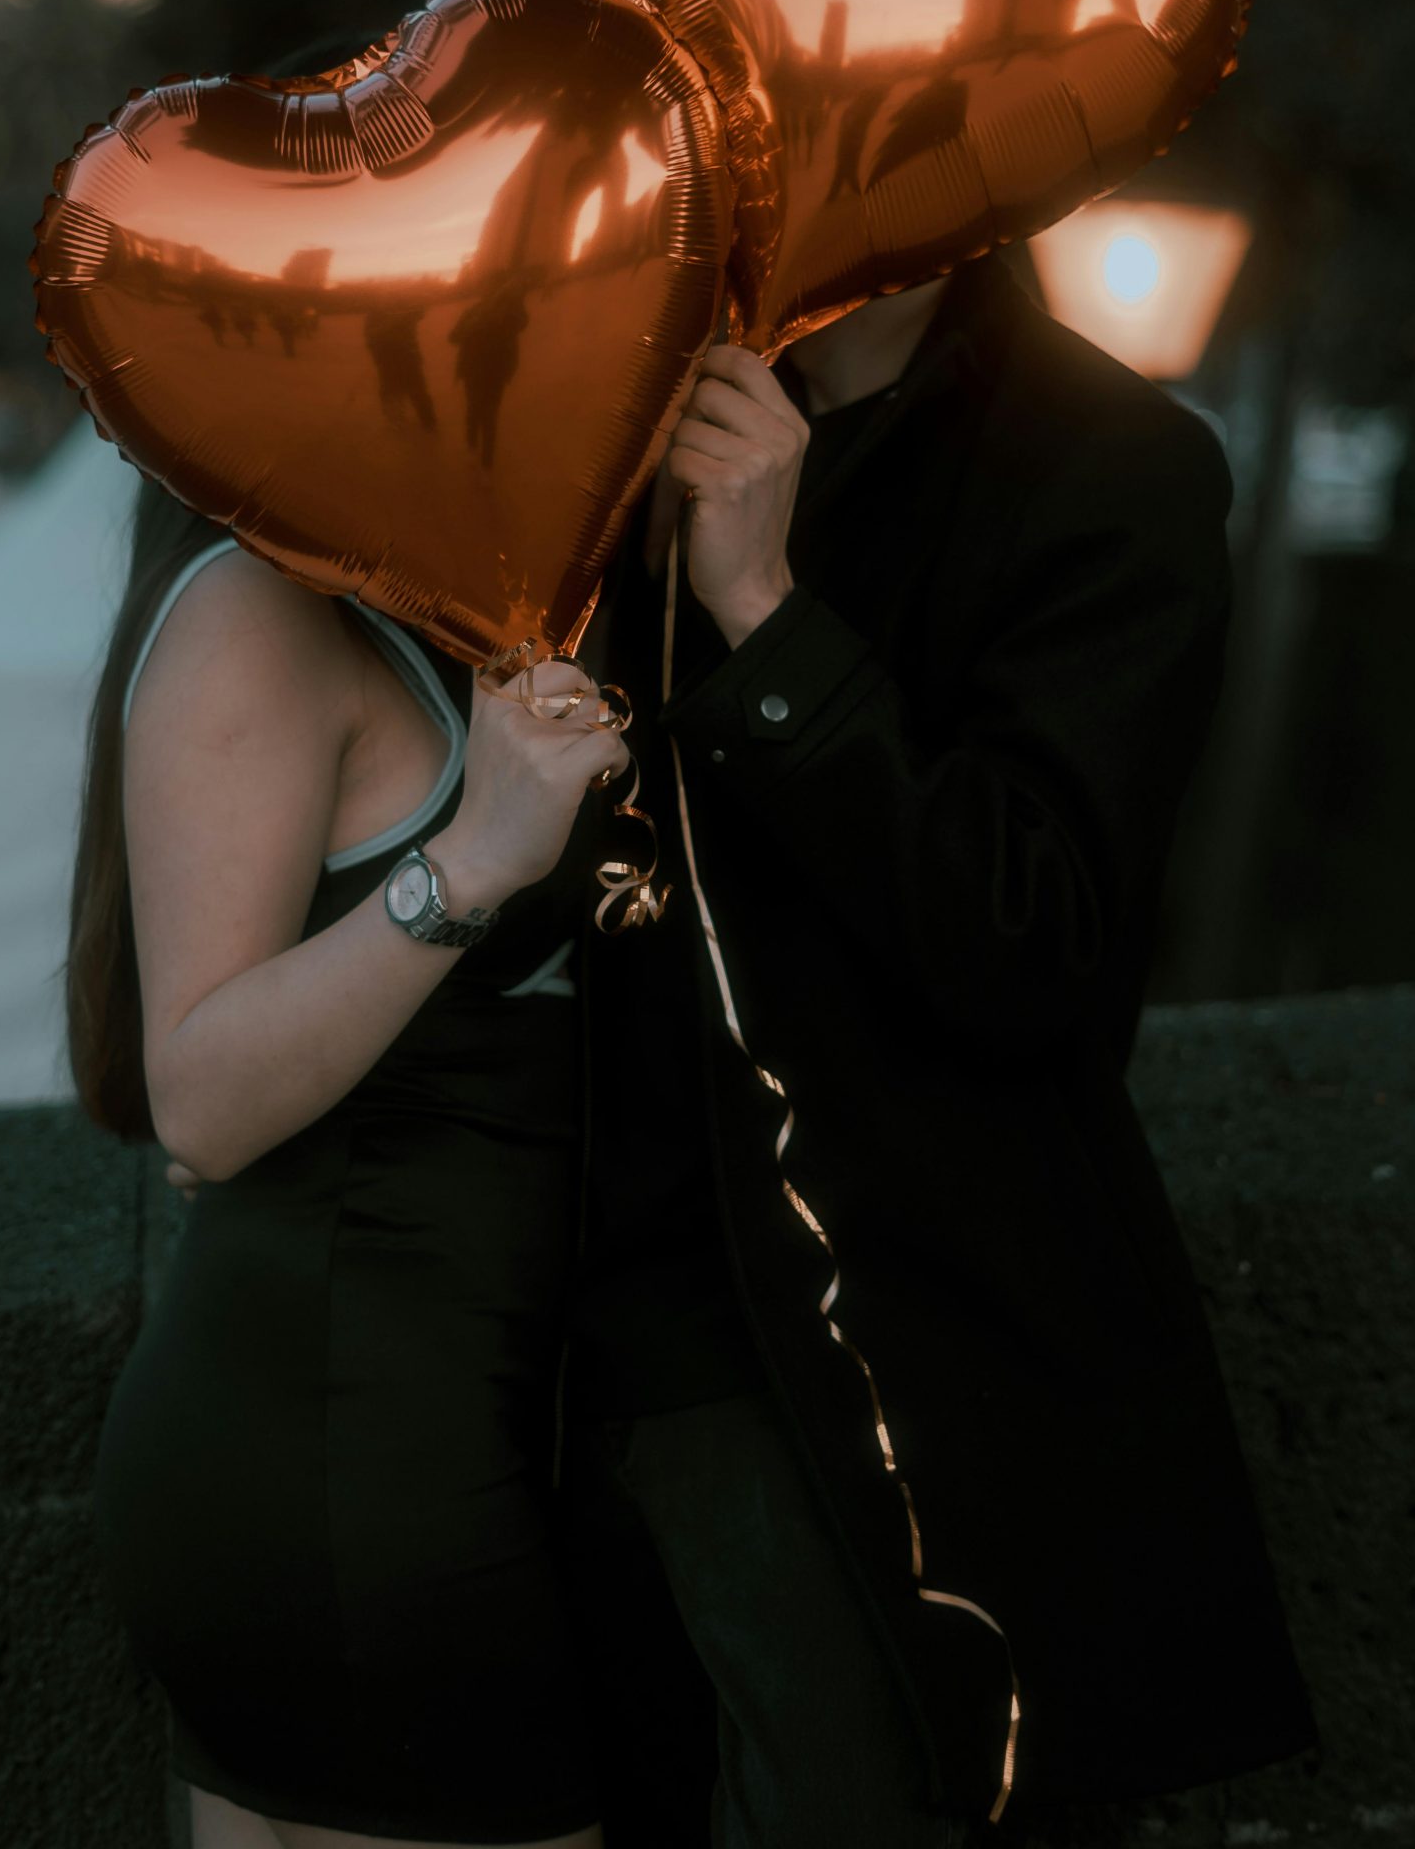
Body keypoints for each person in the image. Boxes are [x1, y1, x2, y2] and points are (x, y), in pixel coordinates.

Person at [552, 242, 1322, 1846]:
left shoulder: (1105, 462)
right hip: (552, 1338)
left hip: (885, 1355)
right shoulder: (604, 409)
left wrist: (762, 612)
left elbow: (1031, 937)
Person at [79, 469, 626, 1848]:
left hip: (431, 1442)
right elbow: (201, 1096)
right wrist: (472, 863)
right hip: (348, 1471)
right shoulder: (256, 607)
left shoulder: (458, 593)